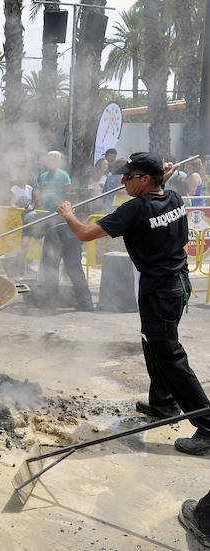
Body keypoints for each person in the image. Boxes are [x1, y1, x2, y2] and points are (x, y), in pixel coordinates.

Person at [56, 151, 210, 455]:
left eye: (130, 176)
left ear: (145, 180)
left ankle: (206, 423)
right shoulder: (174, 197)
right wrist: (160, 175)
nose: (123, 180)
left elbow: (86, 233)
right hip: (177, 284)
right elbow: (158, 190)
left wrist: (68, 214)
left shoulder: (134, 210)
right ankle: (163, 403)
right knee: (153, 343)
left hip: (161, 290)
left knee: (169, 355)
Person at [34, 150, 93, 312]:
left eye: (54, 158)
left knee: (73, 266)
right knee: (50, 265)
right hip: (50, 224)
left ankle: (86, 303)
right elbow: (40, 199)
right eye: (49, 158)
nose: (50, 161)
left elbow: (70, 197)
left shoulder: (63, 176)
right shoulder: (43, 177)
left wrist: (68, 214)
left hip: (65, 224)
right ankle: (50, 302)